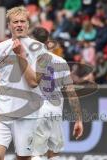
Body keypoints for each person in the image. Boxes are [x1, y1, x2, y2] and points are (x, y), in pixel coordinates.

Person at [0, 6, 60, 160]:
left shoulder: (40, 50)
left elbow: (33, 82)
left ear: (28, 25)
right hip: (1, 113)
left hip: (27, 115)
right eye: (15, 21)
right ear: (9, 25)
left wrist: (21, 55)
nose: (19, 24)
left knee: (23, 158)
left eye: (22, 21)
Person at [30, 27, 84, 160]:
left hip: (36, 111)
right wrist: (78, 120)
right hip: (55, 111)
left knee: (36, 153)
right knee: (54, 153)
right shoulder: (61, 62)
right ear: (48, 42)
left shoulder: (28, 61)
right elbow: (71, 93)